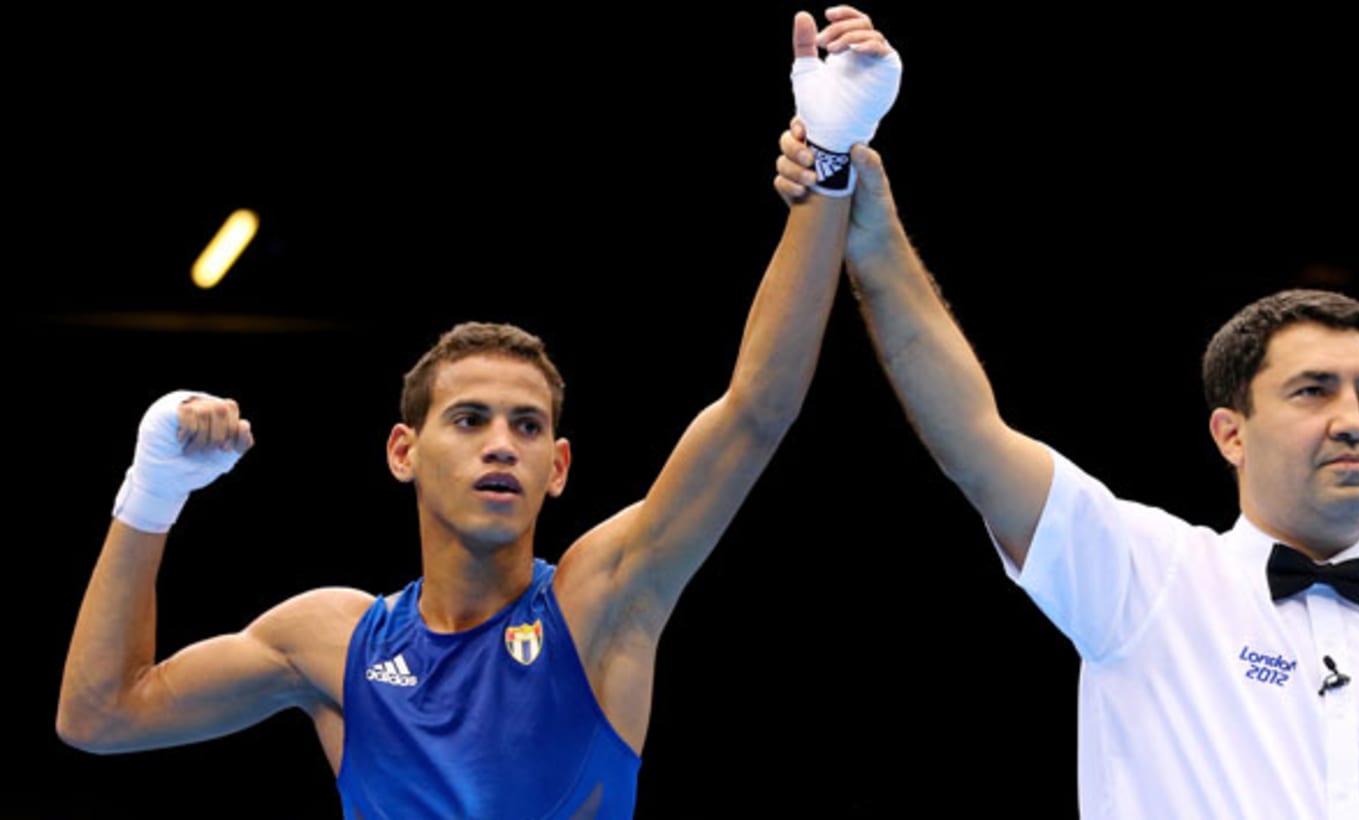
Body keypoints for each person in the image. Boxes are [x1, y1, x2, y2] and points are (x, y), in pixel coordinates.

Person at [55, 10, 900, 818]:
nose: (502, 445)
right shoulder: (330, 642)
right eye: (469, 420)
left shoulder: (602, 598)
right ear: (403, 451)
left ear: (558, 467)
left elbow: (755, 412)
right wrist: (154, 490)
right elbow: (100, 716)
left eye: (527, 426)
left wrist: (827, 163)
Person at [775, 69, 1359, 819]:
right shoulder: (1150, 574)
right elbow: (972, 435)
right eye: (1313, 391)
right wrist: (874, 240)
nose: (1353, 419)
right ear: (1231, 434)